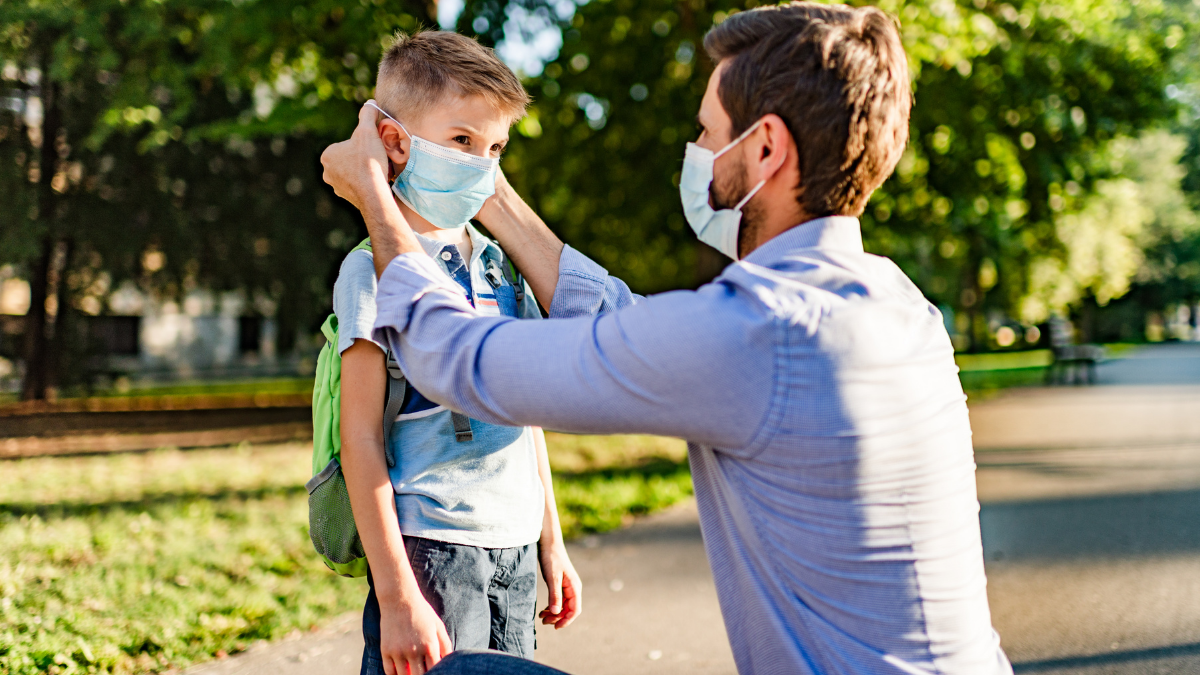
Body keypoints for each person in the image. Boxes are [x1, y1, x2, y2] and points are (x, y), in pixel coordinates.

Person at [323, 3, 1014, 674]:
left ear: (766, 147)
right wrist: (484, 187)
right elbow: (618, 316)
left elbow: (460, 359)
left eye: (708, 133)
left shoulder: (759, 332)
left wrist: (374, 195)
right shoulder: (895, 303)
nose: (697, 153)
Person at [334, 31, 581, 675]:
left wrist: (549, 539)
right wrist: (396, 599)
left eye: (495, 147)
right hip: (434, 553)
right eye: (462, 141)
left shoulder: (503, 266)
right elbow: (359, 440)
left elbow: (523, 413)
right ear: (394, 142)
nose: (481, 163)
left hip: (515, 549)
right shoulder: (369, 270)